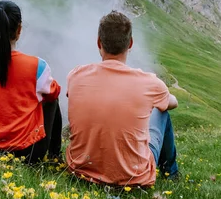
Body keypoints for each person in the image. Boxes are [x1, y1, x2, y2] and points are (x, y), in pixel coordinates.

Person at [66, 11, 179, 186]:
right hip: (133, 177)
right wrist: (158, 94)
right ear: (130, 43)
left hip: (80, 171)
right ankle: (171, 174)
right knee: (162, 112)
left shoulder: (76, 75)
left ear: (99, 43)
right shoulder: (149, 83)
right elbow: (173, 103)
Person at [0, 0, 62, 162]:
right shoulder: (37, 65)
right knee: (51, 99)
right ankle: (55, 155)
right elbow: (54, 92)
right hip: (25, 153)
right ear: (19, 29)